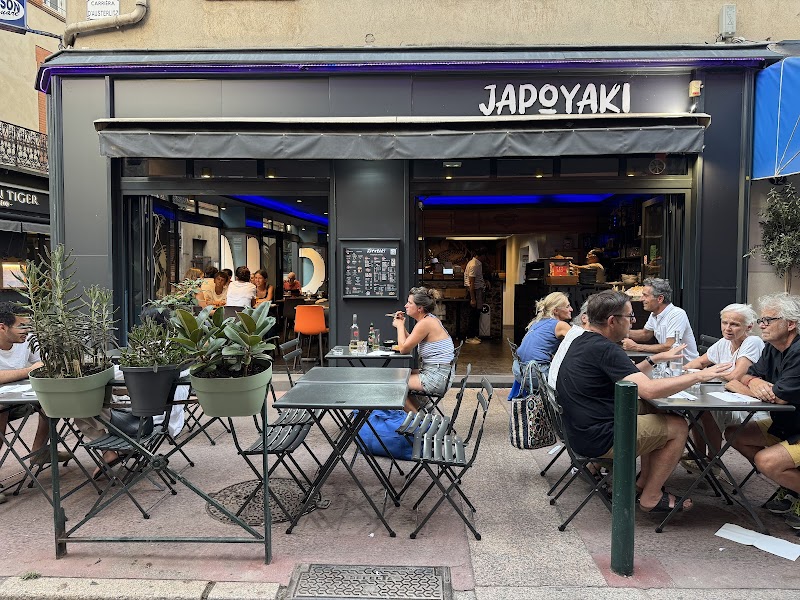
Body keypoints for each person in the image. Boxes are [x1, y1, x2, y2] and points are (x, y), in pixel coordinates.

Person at [556, 290, 729, 514]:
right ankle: (651, 496)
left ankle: (641, 485)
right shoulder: (606, 349)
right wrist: (698, 375)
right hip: (598, 437)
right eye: (629, 317)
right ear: (612, 321)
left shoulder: (583, 340)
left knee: (651, 410)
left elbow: (629, 376)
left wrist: (655, 359)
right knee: (678, 426)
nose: (632, 323)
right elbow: (648, 389)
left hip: (579, 431)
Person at [724, 293, 800, 530]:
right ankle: (790, 486)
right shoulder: (773, 347)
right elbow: (744, 376)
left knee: (765, 461)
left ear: (790, 324)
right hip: (787, 423)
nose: (762, 325)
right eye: (762, 320)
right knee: (736, 434)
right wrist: (754, 383)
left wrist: (744, 385)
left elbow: (779, 396)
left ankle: (793, 488)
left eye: (769, 320)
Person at [0, 303, 70, 503]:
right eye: (22, 326)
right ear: (2, 327)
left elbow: (45, 365)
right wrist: (29, 371)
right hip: (3, 404)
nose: (27, 330)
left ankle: (38, 452)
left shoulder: (27, 341)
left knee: (51, 400)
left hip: (19, 397)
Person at [682, 304, 764, 473]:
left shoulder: (752, 342)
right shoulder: (723, 343)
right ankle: (700, 456)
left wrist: (708, 373)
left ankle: (713, 462)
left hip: (752, 406)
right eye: (724, 322)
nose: (727, 328)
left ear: (749, 326)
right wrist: (688, 371)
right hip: (727, 398)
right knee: (696, 408)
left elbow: (736, 375)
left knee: (705, 410)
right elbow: (698, 363)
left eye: (734, 324)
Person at [392, 287, 455, 411]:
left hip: (436, 378)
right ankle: (422, 416)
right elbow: (410, 342)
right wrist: (402, 326)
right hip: (439, 373)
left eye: (410, 303)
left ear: (419, 308)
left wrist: (399, 326)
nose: (405, 306)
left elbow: (404, 349)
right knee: (399, 375)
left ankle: (419, 424)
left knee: (395, 385)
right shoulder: (428, 319)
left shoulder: (425, 323)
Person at [622, 277, 699, 361]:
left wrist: (636, 347)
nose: (641, 299)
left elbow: (669, 346)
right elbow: (645, 334)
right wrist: (619, 331)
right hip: (668, 366)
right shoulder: (654, 313)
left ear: (660, 299)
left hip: (687, 367)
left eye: (645, 295)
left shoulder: (677, 314)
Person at [511, 292, 573, 394]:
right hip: (535, 373)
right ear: (556, 310)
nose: (571, 309)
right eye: (567, 306)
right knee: (574, 379)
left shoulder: (537, 322)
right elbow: (579, 344)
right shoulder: (560, 325)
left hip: (520, 370)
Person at [548, 301, 589, 389]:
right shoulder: (574, 332)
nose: (571, 309)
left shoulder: (541, 321)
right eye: (567, 306)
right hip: (560, 390)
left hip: (550, 386)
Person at [463, 248, 485, 344]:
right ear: (481, 255)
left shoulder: (476, 263)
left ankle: (474, 335)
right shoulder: (474, 264)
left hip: (476, 290)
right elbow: (471, 283)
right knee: (473, 314)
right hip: (474, 292)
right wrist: (473, 299)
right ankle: (470, 336)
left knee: (476, 314)